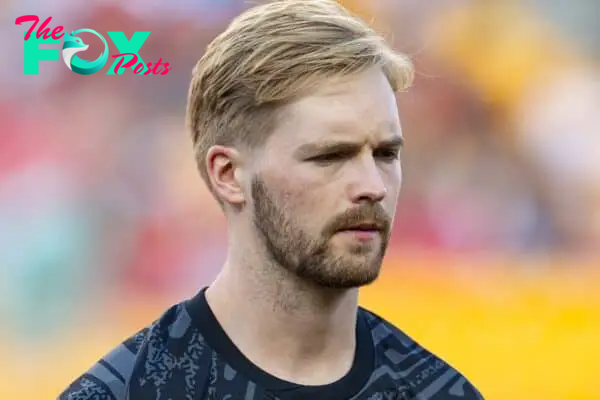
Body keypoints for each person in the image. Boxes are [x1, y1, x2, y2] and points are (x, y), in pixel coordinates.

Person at [59, 0, 484, 398]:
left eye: (386, 154)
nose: (372, 185)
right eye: (329, 156)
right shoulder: (127, 391)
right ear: (227, 175)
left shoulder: (439, 391)